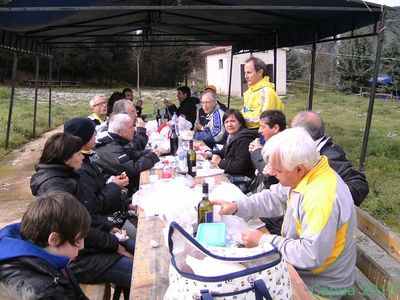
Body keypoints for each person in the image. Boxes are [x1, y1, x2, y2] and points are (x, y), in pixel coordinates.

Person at [214, 128, 357, 299]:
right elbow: (275, 197)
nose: (273, 173)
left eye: (278, 170)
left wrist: (262, 240)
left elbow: (310, 255)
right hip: (304, 269)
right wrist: (236, 206)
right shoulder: (309, 172)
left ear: (298, 169)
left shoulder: (320, 197)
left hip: (320, 285)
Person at [29, 133, 134, 299]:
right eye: (79, 153)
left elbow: (87, 213)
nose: (82, 158)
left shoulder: (69, 176)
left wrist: (108, 227)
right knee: (139, 272)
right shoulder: (56, 187)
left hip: (87, 246)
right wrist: (113, 244)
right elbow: (75, 230)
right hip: (77, 259)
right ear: (66, 159)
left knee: (136, 248)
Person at [0, 191, 91, 299]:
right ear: (54, 239)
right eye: (77, 241)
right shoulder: (44, 292)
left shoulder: (53, 257)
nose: (82, 246)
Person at [64, 118, 137, 251]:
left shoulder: (88, 158)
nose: (96, 135)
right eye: (93, 133)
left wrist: (125, 200)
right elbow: (94, 207)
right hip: (106, 226)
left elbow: (100, 187)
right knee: (141, 243)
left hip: (110, 220)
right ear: (83, 138)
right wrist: (115, 186)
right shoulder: (80, 168)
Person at [291, 111, 369, 206]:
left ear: (303, 134)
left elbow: (359, 185)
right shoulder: (315, 150)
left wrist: (320, 193)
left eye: (292, 130)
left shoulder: (328, 157)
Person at [95, 114, 160, 195]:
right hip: (121, 193)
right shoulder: (109, 147)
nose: (134, 130)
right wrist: (151, 157)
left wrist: (149, 152)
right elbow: (131, 169)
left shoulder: (117, 140)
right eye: (131, 127)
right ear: (119, 132)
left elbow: (132, 154)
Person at [247, 110, 286, 234]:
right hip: (262, 194)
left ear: (275, 128)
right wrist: (254, 152)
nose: (259, 131)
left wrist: (256, 153)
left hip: (274, 214)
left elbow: (267, 172)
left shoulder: (284, 147)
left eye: (262, 127)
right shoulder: (267, 142)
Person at [208, 109, 255, 185]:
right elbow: (223, 151)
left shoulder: (244, 140)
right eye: (226, 122)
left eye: (233, 121)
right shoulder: (232, 136)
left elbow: (239, 166)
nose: (229, 124)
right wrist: (209, 154)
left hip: (241, 180)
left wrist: (220, 162)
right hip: (232, 174)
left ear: (240, 123)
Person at [241, 57, 284, 129]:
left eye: (249, 72)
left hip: (263, 131)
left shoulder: (267, 92)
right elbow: (245, 111)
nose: (245, 76)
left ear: (260, 72)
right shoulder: (249, 92)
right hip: (249, 129)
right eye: (245, 73)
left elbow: (265, 120)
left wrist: (241, 120)